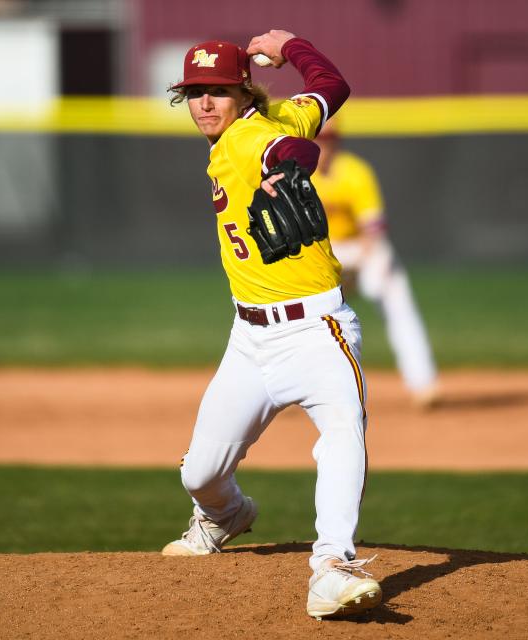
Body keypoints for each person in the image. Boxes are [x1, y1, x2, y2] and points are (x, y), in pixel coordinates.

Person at [161, 29, 381, 620]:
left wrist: (292, 162)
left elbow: (283, 153)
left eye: (217, 91)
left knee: (342, 435)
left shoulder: (249, 138)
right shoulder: (282, 113)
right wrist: (295, 47)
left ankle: (333, 564)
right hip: (249, 340)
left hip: (318, 332)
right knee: (201, 473)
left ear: (241, 93)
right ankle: (226, 514)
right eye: (194, 93)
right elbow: (332, 87)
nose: (205, 104)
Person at [310, 119, 440, 408]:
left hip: (357, 250)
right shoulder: (295, 174)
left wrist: (357, 271)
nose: (323, 145)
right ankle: (290, 389)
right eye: (317, 138)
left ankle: (423, 383)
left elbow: (374, 231)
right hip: (318, 253)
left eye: (328, 138)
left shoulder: (354, 172)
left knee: (392, 285)